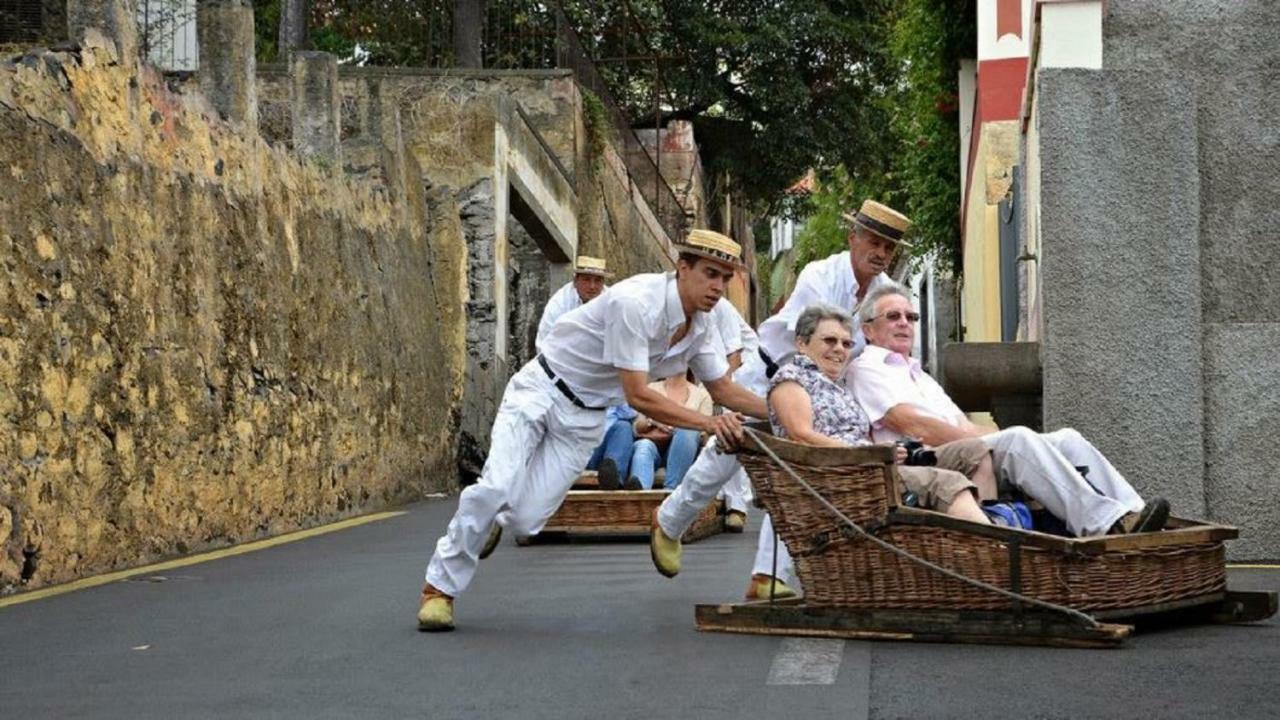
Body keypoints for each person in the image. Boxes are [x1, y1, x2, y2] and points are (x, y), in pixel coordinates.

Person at [417, 230, 768, 631]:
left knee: (527, 522)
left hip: (585, 418)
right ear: (682, 268)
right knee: (494, 487)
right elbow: (638, 396)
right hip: (542, 390)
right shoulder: (635, 303)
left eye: (725, 278)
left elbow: (722, 387)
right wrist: (710, 422)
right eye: (710, 273)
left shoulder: (702, 327)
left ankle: (493, 516)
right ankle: (439, 589)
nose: (718, 287)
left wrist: (781, 414)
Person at [651, 200, 912, 597]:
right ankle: (670, 522)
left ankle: (766, 576)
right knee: (725, 453)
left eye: (888, 248)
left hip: (819, 389)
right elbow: (811, 343)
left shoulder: (883, 293)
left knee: (791, 469)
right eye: (873, 242)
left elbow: (867, 350)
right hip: (771, 374)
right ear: (853, 238)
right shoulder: (819, 275)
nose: (879, 254)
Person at [852, 283, 1171, 538]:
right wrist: (988, 438)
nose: (905, 323)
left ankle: (1134, 515)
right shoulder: (866, 368)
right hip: (930, 457)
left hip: (961, 445)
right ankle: (1104, 523)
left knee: (1066, 439)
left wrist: (989, 436)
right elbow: (912, 424)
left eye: (911, 317)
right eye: (893, 317)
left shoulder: (919, 374)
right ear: (868, 330)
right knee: (1018, 438)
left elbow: (962, 422)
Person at [769, 305, 996, 532]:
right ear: (801, 343)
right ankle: (994, 551)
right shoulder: (791, 379)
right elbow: (801, 435)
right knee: (948, 484)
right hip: (844, 478)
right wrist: (870, 454)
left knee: (973, 452)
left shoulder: (838, 385)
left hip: (873, 464)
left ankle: (994, 526)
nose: (839, 349)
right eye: (829, 340)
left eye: (846, 343)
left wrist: (890, 450)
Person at [708, 298, 759, 531]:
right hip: (719, 378)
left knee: (732, 428)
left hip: (747, 375)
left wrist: (723, 395)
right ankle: (719, 496)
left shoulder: (722, 308)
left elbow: (734, 357)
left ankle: (737, 505)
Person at [626, 371, 713, 490]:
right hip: (654, 445)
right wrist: (654, 421)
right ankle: (640, 497)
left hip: (683, 450)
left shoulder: (702, 395)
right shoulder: (650, 389)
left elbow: (705, 435)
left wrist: (679, 425)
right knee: (643, 446)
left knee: (688, 432)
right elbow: (636, 428)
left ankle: (670, 492)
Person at [535, 255, 612, 351]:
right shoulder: (560, 302)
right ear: (576, 281)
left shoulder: (611, 301)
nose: (592, 286)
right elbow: (545, 340)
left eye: (597, 280)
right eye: (586, 280)